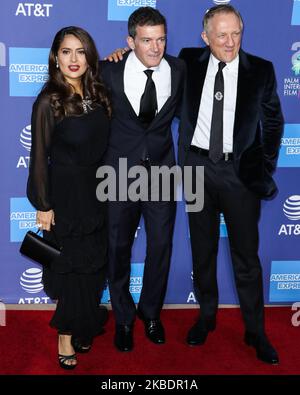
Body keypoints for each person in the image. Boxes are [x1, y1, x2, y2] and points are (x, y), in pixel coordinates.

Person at [177, 5, 283, 364]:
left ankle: (256, 331)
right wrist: (121, 53)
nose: (230, 42)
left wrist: (261, 166)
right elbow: (149, 63)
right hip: (197, 170)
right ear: (205, 37)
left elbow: (274, 121)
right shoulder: (188, 62)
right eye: (221, 35)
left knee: (246, 259)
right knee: (202, 252)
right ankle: (206, 318)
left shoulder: (262, 70)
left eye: (236, 33)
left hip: (239, 176)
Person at [100, 7, 185, 352]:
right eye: (147, 40)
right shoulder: (108, 70)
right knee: (117, 246)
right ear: (129, 41)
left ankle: (151, 313)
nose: (155, 47)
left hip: (163, 172)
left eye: (161, 39)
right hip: (118, 172)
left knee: (161, 246)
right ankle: (123, 317)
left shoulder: (179, 69)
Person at [27, 26, 111, 369]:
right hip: (65, 195)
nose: (73, 59)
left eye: (80, 51)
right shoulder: (50, 100)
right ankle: (65, 336)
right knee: (73, 268)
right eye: (66, 51)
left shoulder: (98, 91)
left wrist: (118, 54)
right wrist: (43, 204)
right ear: (55, 57)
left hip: (98, 191)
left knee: (94, 267)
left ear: (90, 56)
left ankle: (85, 324)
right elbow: (39, 158)